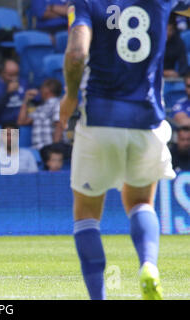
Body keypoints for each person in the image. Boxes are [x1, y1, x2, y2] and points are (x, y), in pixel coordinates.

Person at [60, 0, 189, 300]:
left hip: (100, 121)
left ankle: (99, 297)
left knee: (87, 216)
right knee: (142, 203)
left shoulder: (87, 2)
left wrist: (68, 96)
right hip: (148, 122)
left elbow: (77, 53)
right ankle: (148, 264)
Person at [17, 78, 64, 151]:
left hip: (50, 151)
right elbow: (21, 121)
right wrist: (26, 101)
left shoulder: (58, 103)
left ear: (47, 90)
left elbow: (59, 126)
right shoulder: (41, 108)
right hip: (39, 150)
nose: (40, 91)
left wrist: (55, 150)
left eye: (41, 88)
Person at [0, 59, 27, 125]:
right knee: (9, 134)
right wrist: (8, 93)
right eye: (10, 75)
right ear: (2, 73)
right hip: (6, 125)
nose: (14, 78)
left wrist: (32, 96)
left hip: (25, 123)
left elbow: (38, 98)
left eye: (16, 74)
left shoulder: (23, 82)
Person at [164, 13, 188, 79]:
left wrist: (177, 74)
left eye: (170, 30)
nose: (167, 33)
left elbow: (184, 65)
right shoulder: (154, 41)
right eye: (165, 30)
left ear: (174, 30)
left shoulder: (178, 42)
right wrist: (163, 72)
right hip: (153, 76)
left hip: (171, 78)